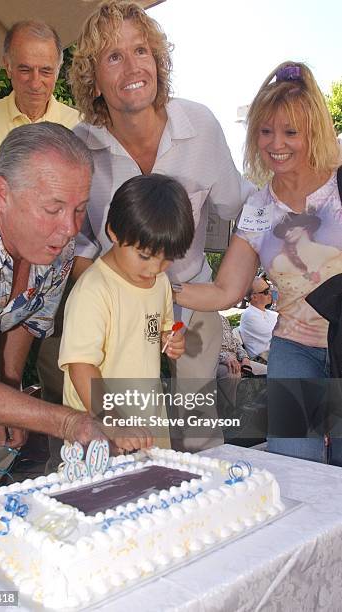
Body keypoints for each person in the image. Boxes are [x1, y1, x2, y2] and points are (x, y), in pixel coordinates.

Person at [38, 0, 254, 452]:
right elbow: (75, 241)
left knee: (196, 425)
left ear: (158, 60)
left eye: (141, 50)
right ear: (93, 79)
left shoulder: (200, 124)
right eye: (113, 57)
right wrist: (108, 297)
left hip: (188, 295)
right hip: (116, 298)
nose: (132, 66)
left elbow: (243, 209)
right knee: (117, 418)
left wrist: (222, 291)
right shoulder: (81, 146)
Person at [0, 122, 149, 522]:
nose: (70, 228)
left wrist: (11, 386)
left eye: (79, 209)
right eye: (54, 209)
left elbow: (27, 321)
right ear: (3, 193)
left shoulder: (57, 241)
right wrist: (71, 422)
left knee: (2, 432)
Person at [174, 61, 342, 464]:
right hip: (294, 348)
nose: (275, 143)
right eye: (265, 131)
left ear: (313, 132)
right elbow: (226, 290)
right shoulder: (259, 207)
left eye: (290, 131)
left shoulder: (337, 185)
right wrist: (155, 287)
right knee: (297, 467)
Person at [59, 174, 193, 450]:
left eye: (167, 259)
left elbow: (158, 331)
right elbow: (81, 366)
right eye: (145, 256)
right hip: (100, 430)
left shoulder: (160, 283)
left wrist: (171, 339)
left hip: (148, 423)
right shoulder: (94, 290)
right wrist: (113, 421)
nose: (155, 268)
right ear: (113, 232)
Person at [0, 20, 79, 192]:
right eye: (25, 70)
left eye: (46, 71)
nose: (35, 83)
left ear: (57, 70)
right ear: (8, 67)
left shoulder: (80, 125)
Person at [239, 276, 278, 362]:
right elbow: (277, 334)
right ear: (254, 297)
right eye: (265, 292)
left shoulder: (269, 313)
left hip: (274, 355)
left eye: (269, 289)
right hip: (262, 359)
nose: (270, 293)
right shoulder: (249, 315)